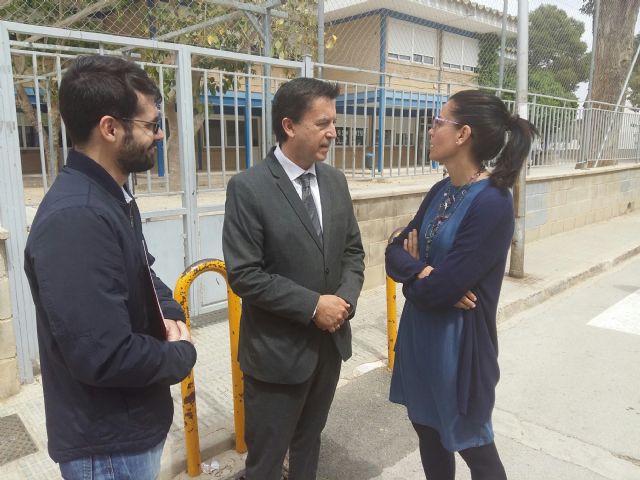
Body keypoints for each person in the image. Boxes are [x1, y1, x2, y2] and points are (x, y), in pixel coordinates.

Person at [23, 55, 197, 480]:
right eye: (151, 124)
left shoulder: (107, 195)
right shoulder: (76, 218)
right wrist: (181, 356)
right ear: (110, 128)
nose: (158, 135)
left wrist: (170, 312)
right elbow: (103, 354)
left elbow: (141, 269)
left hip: (127, 428)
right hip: (109, 446)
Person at [385, 90, 538, 480]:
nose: (431, 129)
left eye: (439, 122)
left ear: (462, 134)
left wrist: (417, 275)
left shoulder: (492, 202)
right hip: (421, 339)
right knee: (428, 432)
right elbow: (392, 252)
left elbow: (444, 289)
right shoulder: (440, 191)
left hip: (460, 348)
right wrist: (419, 271)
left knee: (474, 447)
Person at [222, 77, 365, 480]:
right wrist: (312, 306)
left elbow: (352, 252)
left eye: (333, 122)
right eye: (322, 123)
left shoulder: (335, 182)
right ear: (289, 126)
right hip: (276, 356)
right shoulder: (249, 188)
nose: (333, 132)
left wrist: (344, 302)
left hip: (328, 347)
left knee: (309, 443)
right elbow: (244, 274)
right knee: (266, 461)